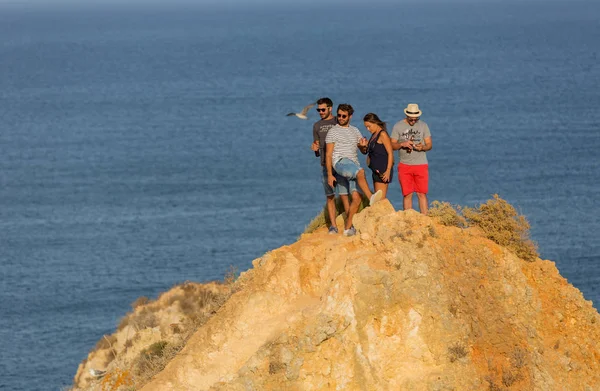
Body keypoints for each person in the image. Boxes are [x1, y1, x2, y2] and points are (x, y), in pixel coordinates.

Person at [325, 104, 383, 236]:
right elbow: (329, 154)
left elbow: (363, 150)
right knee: (360, 172)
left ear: (350, 116)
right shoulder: (333, 131)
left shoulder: (355, 131)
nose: (340, 118)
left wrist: (363, 146)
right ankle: (371, 197)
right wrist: (329, 174)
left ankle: (348, 228)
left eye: (343, 116)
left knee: (356, 198)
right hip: (341, 162)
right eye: (338, 115)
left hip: (353, 163)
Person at [310, 97, 349, 234]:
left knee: (344, 194)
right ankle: (333, 226)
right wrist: (315, 149)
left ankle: (349, 224)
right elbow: (318, 148)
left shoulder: (338, 121)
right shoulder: (316, 126)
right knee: (330, 196)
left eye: (323, 109)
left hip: (340, 163)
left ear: (330, 108)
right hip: (325, 165)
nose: (320, 112)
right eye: (318, 110)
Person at [390, 103, 432, 214]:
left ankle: (425, 219)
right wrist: (402, 144)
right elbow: (392, 145)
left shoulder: (423, 125)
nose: (413, 121)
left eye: (415, 119)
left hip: (421, 164)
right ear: (406, 115)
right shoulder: (398, 126)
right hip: (405, 165)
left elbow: (429, 144)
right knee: (407, 194)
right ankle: (408, 219)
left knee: (421, 193)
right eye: (411, 119)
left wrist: (422, 147)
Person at [361, 113, 394, 200]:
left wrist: (388, 171)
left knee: (380, 200)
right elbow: (370, 151)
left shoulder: (382, 134)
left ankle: (385, 213)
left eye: (369, 126)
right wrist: (364, 145)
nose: (368, 129)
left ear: (375, 122)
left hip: (383, 170)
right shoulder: (374, 135)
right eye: (366, 127)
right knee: (377, 198)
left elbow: (390, 153)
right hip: (375, 171)